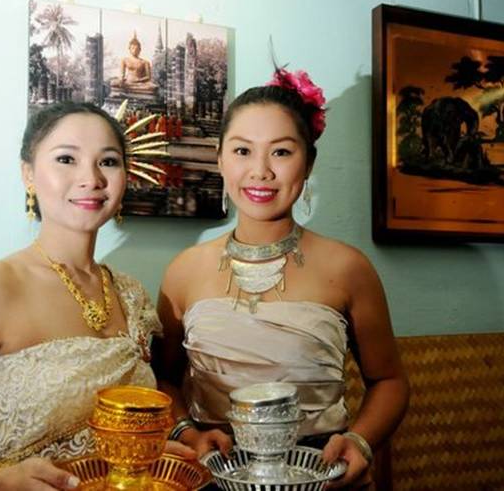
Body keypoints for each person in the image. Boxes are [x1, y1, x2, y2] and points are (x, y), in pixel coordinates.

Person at [0, 101, 193, 490]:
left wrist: (172, 439)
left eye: (109, 162)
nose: (91, 178)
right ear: (28, 174)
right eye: (66, 159)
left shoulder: (130, 293)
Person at [154, 68, 410, 488]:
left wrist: (360, 444)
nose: (260, 171)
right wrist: (186, 431)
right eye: (242, 151)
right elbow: (163, 378)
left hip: (320, 477)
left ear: (308, 163)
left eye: (281, 152)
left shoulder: (349, 268)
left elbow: (390, 380)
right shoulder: (183, 270)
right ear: (219, 158)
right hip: (212, 477)